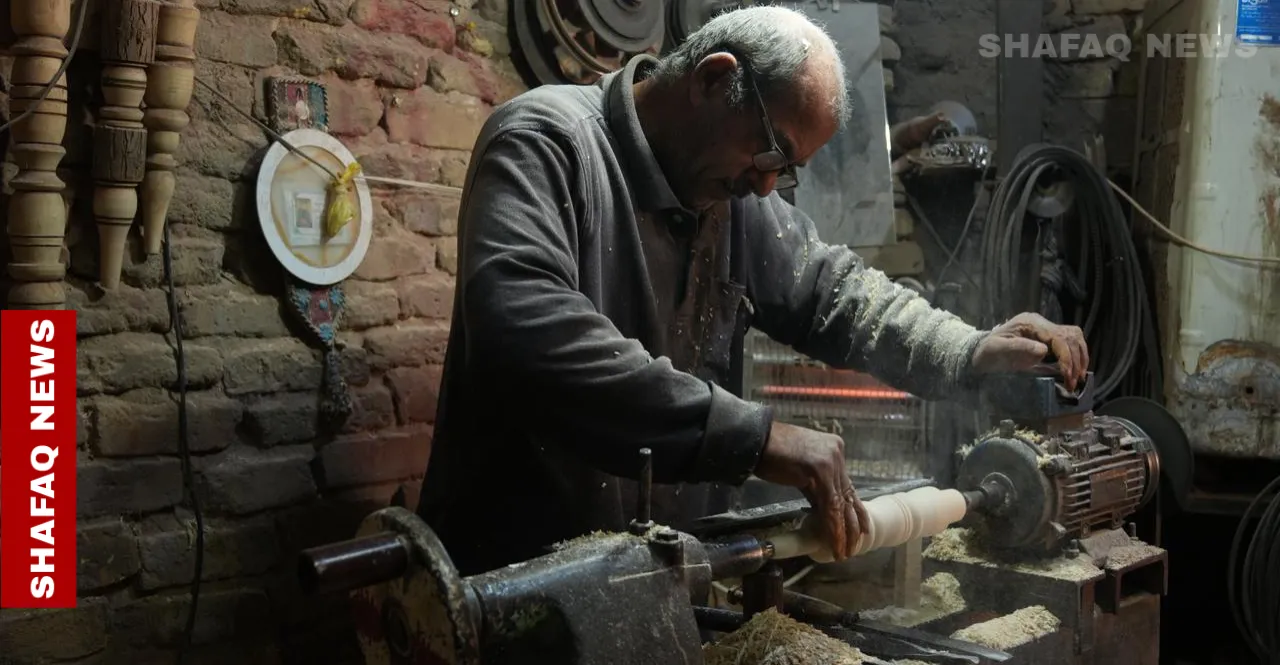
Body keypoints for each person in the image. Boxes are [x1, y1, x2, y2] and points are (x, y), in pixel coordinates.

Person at [416, 6, 1088, 576]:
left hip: (652, 573)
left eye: (786, 171)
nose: (767, 185)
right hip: (518, 574)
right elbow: (527, 331)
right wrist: (755, 436)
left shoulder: (734, 200)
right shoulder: (545, 142)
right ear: (714, 80)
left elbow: (838, 294)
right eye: (771, 153)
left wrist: (969, 348)